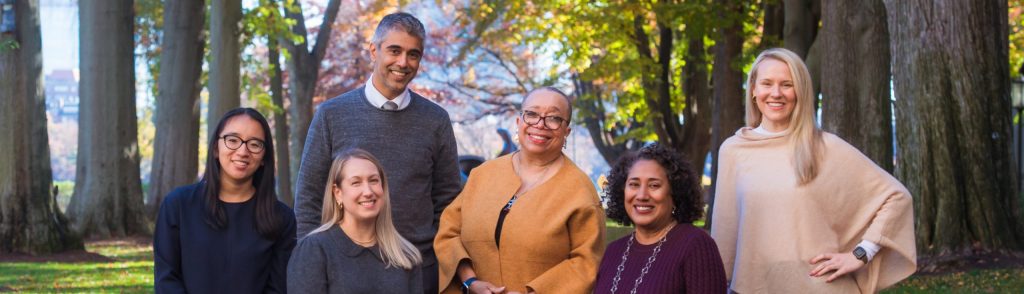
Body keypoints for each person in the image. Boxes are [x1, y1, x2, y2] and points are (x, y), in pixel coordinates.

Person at [711, 48, 916, 293]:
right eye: (767, 83)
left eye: (787, 84)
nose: (776, 93)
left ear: (800, 91)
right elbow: (725, 231)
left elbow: (896, 198)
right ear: (754, 90)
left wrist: (860, 254)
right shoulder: (734, 150)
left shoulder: (824, 146)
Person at [293, 12, 462, 293]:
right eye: (394, 50)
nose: (403, 62)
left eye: (413, 54)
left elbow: (448, 201)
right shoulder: (332, 114)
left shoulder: (435, 120)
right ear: (374, 50)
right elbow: (309, 197)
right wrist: (312, 261)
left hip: (417, 269)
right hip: (345, 271)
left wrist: (435, 259)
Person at [434, 87, 606, 294]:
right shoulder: (483, 174)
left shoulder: (579, 190)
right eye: (532, 114)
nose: (540, 125)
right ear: (519, 122)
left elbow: (586, 263)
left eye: (553, 118)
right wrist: (470, 282)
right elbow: (449, 232)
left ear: (566, 131)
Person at [154, 108, 296, 293]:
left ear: (263, 158)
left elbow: (278, 288)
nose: (243, 151)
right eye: (233, 140)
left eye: (254, 144)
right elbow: (167, 280)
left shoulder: (281, 218)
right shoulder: (178, 206)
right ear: (215, 148)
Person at [595, 144, 727, 293]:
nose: (642, 195)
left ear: (675, 192)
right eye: (634, 184)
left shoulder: (696, 246)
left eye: (654, 185)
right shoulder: (613, 251)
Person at [288, 148, 423, 293]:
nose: (368, 191)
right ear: (338, 193)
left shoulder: (406, 255)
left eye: (373, 181)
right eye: (356, 183)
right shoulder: (314, 250)